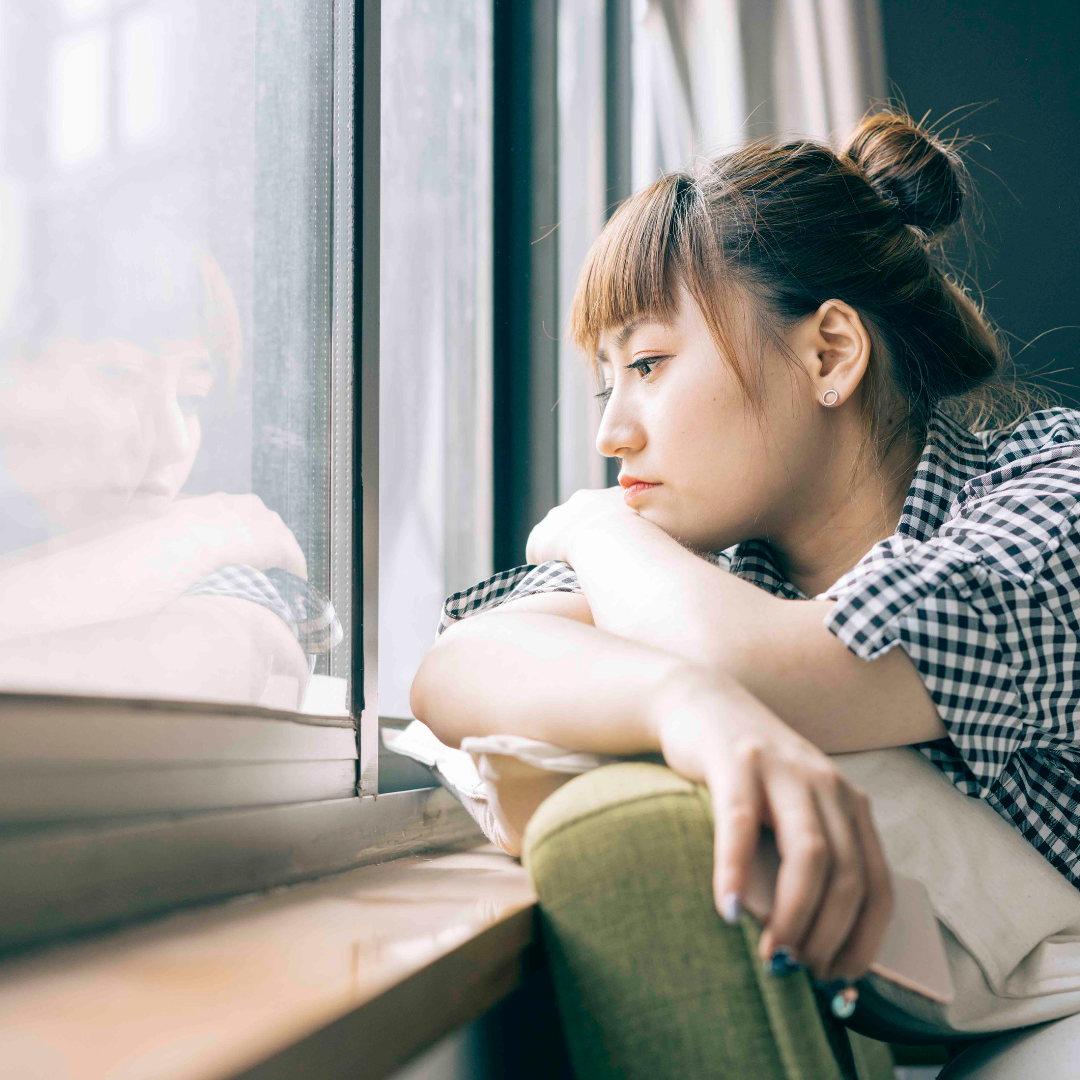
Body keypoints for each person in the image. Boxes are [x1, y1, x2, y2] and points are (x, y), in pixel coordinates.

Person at [410, 110, 1080, 1062]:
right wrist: (688, 705)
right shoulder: (711, 571)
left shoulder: (1052, 500)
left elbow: (777, 662)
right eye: (607, 382)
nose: (611, 434)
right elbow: (455, 669)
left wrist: (597, 529)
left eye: (646, 365)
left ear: (829, 355)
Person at [0, 209, 338, 707]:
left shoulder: (224, 591)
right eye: (118, 377)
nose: (174, 440)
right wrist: (198, 535)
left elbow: (231, 653)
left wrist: (193, 541)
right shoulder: (203, 540)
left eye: (193, 397)